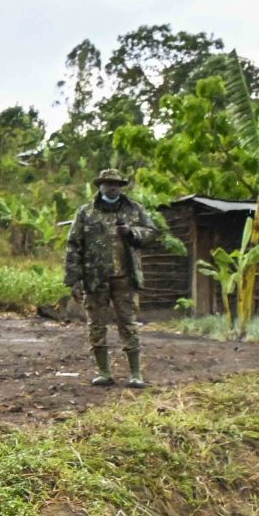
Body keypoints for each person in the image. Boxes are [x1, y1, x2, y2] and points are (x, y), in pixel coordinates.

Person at [65, 167, 160, 390]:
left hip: (125, 278)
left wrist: (132, 233)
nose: (112, 187)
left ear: (121, 186)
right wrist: (73, 279)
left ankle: (136, 374)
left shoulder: (134, 210)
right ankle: (103, 372)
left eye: (116, 183)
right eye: (107, 183)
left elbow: (152, 233)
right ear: (100, 186)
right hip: (95, 279)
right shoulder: (85, 212)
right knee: (96, 325)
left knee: (128, 324)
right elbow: (73, 245)